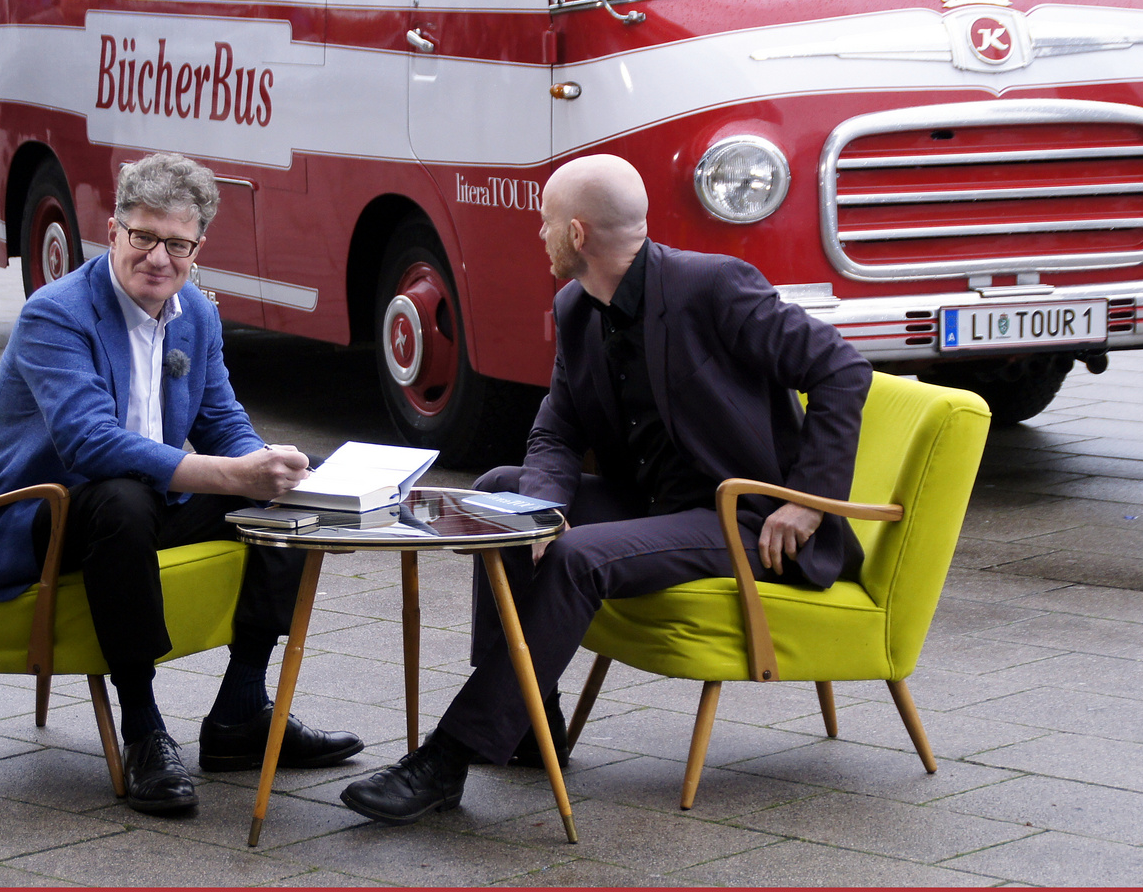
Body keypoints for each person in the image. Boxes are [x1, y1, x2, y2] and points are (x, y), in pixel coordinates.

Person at [339, 153, 872, 826]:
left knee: (575, 557)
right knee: (504, 495)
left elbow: (842, 370)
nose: (541, 235)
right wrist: (542, 511)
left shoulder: (714, 287)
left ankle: (447, 758)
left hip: (737, 513)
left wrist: (806, 502)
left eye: (546, 223)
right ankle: (531, 726)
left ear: (578, 235)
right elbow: (554, 433)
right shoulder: (577, 307)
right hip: (654, 505)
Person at [0, 153, 364, 814]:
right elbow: (89, 443)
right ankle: (144, 729)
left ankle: (242, 710)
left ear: (197, 247)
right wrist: (231, 474)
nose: (157, 258)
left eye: (176, 244)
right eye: (142, 237)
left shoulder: (195, 315)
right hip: (26, 519)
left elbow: (221, 421)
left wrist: (271, 469)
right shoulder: (55, 315)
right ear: (113, 231)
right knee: (122, 498)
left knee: (282, 488)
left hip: (134, 503)